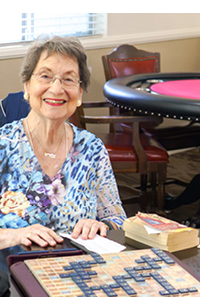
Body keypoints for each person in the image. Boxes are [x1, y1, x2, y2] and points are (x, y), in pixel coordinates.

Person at [0, 35, 124, 251]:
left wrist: (100, 225)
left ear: (79, 94)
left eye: (68, 79)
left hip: (78, 273)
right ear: (27, 86)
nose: (57, 89)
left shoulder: (92, 149)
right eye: (46, 76)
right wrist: (16, 235)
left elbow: (118, 219)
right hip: (11, 278)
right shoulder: (3, 145)